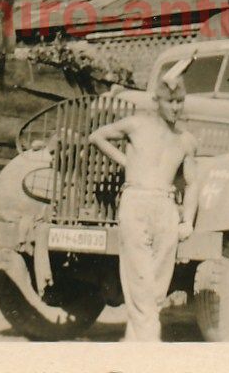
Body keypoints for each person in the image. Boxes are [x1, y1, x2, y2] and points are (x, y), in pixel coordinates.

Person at [88, 66, 198, 342]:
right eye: (169, 101)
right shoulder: (137, 125)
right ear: (156, 102)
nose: (175, 107)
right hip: (136, 202)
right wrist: (127, 162)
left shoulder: (186, 141)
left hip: (166, 206)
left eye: (179, 101)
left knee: (158, 282)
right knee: (139, 277)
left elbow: (193, 182)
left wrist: (188, 221)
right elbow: (97, 136)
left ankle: (135, 339)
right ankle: (149, 341)